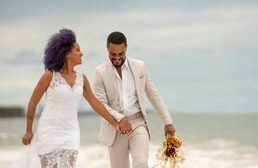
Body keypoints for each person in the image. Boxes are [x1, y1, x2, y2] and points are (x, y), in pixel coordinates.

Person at [15, 29, 119, 168]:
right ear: (67, 53)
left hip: (71, 133)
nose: (82, 53)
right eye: (77, 50)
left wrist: (115, 123)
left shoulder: (82, 79)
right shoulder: (50, 76)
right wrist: (28, 130)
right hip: (48, 132)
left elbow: (96, 104)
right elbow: (33, 103)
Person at [93, 31, 176, 168]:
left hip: (138, 123)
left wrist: (168, 122)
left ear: (126, 47)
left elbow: (153, 94)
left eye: (121, 54)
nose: (117, 58)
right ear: (107, 48)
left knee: (141, 163)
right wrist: (120, 119)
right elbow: (100, 104)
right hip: (115, 127)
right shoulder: (100, 72)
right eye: (113, 55)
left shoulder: (139, 66)